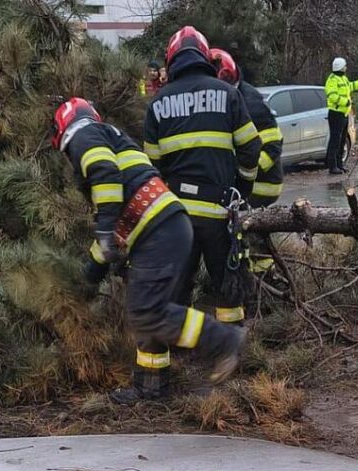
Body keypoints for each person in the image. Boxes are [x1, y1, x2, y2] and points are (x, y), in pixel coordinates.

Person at [51, 97, 245, 404]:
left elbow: (104, 174)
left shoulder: (84, 135)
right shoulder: (107, 137)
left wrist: (103, 231)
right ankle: (151, 386)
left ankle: (223, 340)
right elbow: (115, 222)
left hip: (159, 231)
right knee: (142, 309)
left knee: (148, 310)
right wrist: (91, 270)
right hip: (162, 229)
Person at [143, 26, 262, 331]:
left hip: (177, 216)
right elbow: (251, 147)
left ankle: (182, 347)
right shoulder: (228, 94)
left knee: (179, 286)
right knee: (228, 285)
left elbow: (151, 167)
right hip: (219, 211)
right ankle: (231, 348)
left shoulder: (157, 104)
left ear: (172, 60)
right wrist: (243, 188)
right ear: (203, 57)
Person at [209, 48, 283, 208]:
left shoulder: (249, 103)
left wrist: (244, 173)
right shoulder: (235, 95)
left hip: (261, 186)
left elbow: (273, 145)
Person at [324, 57, 358, 175]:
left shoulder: (343, 79)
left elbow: (351, 86)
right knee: (335, 140)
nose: (346, 68)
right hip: (336, 113)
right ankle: (332, 166)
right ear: (340, 67)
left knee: (342, 140)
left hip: (344, 114)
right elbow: (332, 96)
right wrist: (346, 102)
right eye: (344, 66)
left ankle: (340, 164)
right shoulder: (332, 80)